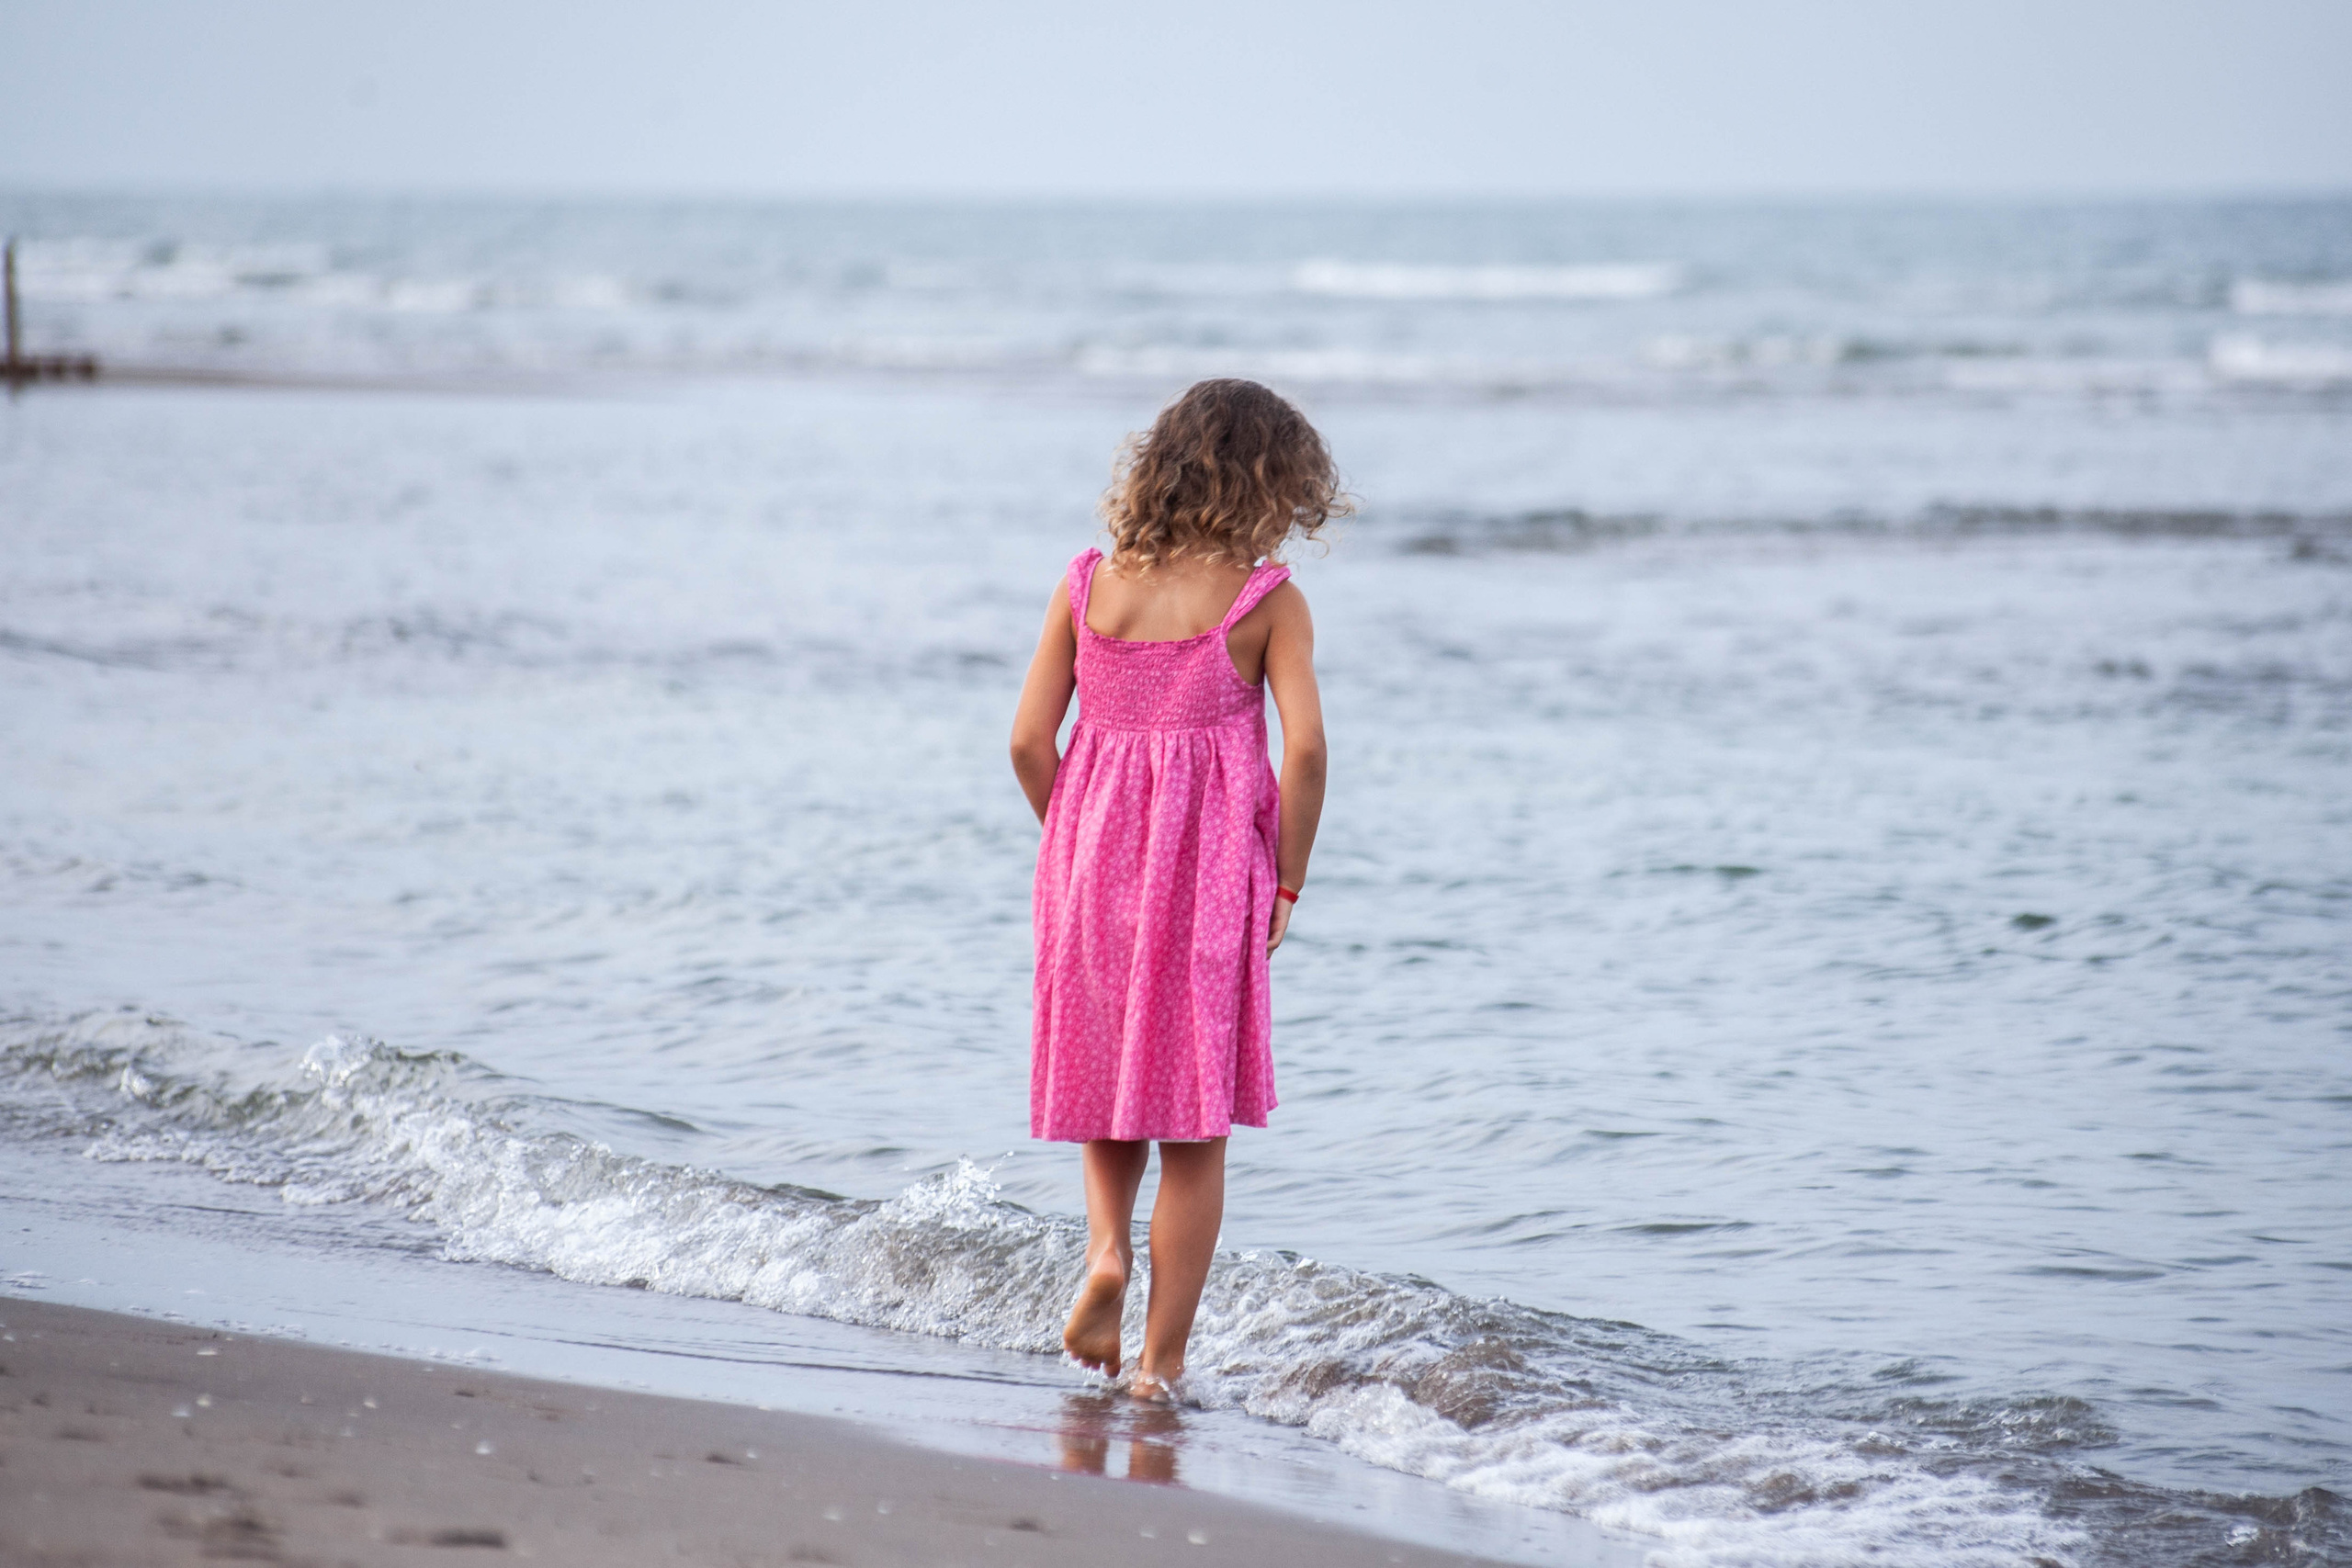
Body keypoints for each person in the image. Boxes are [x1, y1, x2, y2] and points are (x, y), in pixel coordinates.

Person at [1009, 378, 1343, 1402]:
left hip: (1087, 865)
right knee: (1194, 1129)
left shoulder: (1086, 585)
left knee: (1106, 1080)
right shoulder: (1265, 601)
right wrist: (1288, 879)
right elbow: (1306, 751)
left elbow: (1026, 742)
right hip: (1210, 879)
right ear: (1270, 485)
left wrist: (1074, 837)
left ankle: (1105, 1251)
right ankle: (1158, 1367)